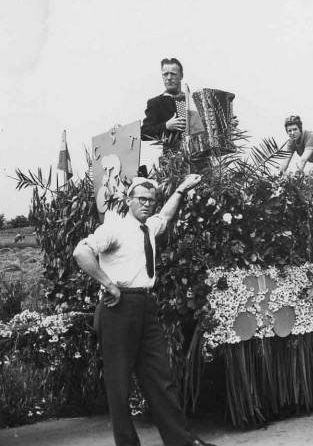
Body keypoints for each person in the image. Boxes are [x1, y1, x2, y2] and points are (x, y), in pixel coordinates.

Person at [73, 175, 215, 446]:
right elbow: (81, 253)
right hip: (119, 308)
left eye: (150, 200)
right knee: (119, 385)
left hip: (145, 307)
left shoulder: (147, 227)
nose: (147, 204)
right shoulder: (114, 228)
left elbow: (165, 216)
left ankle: (182, 442)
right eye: (141, 199)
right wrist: (108, 285)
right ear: (129, 201)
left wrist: (182, 189)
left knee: (161, 378)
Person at [141, 57, 239, 151]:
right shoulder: (156, 103)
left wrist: (227, 125)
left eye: (173, 74)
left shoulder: (196, 100)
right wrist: (166, 126)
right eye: (165, 74)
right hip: (174, 160)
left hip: (202, 158)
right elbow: (143, 133)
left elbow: (209, 127)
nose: (169, 78)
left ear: (181, 76)